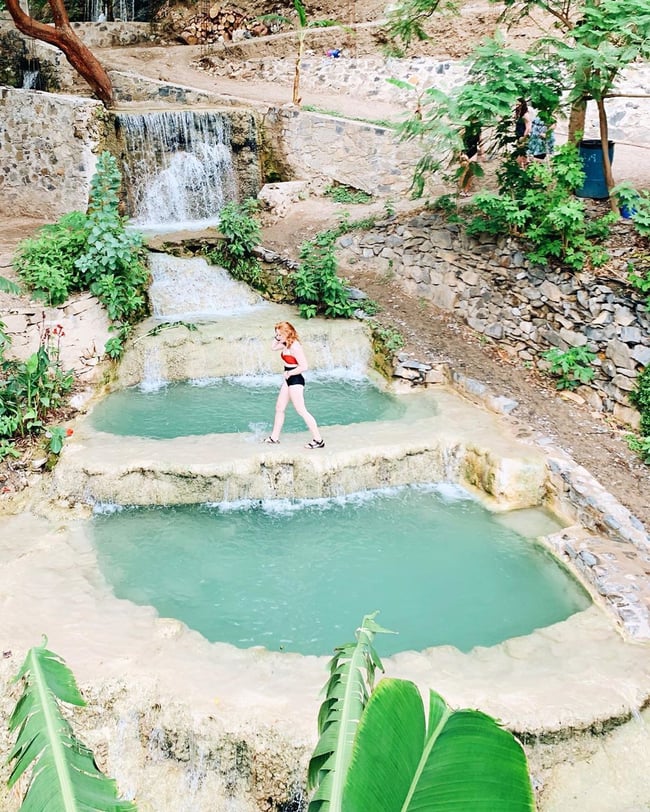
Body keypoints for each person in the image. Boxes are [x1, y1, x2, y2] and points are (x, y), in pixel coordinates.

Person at [263, 321, 325, 449]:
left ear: (287, 333)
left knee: (301, 410)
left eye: (280, 334)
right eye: (277, 334)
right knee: (279, 407)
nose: (278, 337)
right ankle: (274, 437)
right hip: (289, 379)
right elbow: (273, 347)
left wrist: (290, 373)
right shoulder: (286, 344)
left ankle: (318, 440)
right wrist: (277, 337)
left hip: (296, 380)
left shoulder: (295, 347)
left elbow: (304, 366)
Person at [458, 120, 482, 197]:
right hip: (465, 152)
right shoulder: (464, 131)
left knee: (471, 172)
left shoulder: (479, 130)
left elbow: (479, 141)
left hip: (473, 151)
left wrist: (481, 151)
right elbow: (459, 142)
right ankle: (461, 190)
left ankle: (466, 190)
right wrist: (461, 154)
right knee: (464, 172)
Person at [514, 98, 532, 168]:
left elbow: (529, 126)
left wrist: (525, 136)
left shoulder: (525, 115)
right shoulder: (519, 113)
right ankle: (524, 166)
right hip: (519, 134)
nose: (517, 106)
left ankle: (521, 167)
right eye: (516, 104)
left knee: (521, 152)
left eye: (518, 104)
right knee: (523, 153)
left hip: (522, 135)